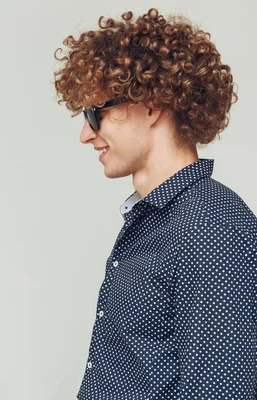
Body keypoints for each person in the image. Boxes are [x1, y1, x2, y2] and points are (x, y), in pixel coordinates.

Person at [53, 8, 257, 399]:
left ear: (152, 105)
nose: (85, 134)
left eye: (97, 113)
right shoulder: (154, 219)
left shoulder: (211, 226)